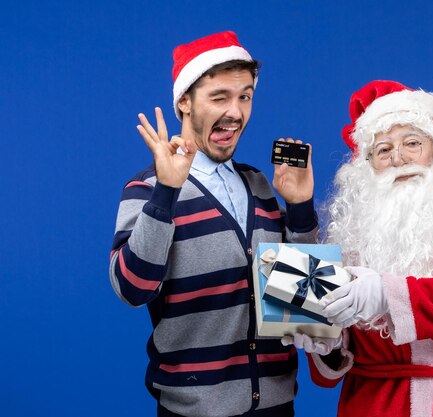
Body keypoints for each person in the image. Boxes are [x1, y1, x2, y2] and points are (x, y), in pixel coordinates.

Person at [283, 80, 433, 417]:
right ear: (367, 165)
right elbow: (334, 368)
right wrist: (327, 342)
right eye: (382, 150)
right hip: (372, 405)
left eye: (412, 143)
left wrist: (389, 294)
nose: (398, 158)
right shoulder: (353, 235)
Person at [109, 31, 317, 417]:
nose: (236, 112)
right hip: (194, 410)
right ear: (184, 102)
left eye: (245, 96)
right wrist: (167, 191)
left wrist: (301, 208)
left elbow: (302, 311)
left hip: (278, 405)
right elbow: (132, 289)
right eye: (220, 97)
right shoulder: (147, 188)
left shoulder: (261, 186)